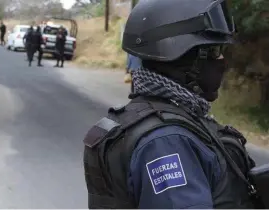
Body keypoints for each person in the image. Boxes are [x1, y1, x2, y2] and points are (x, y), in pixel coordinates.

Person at [83, 0, 259, 209]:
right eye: (214, 51)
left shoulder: (170, 120)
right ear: (186, 57)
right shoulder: (167, 141)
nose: (222, 60)